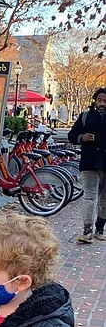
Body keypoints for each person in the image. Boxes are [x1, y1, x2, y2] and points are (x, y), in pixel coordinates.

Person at [68, 87, 106, 243]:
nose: (102, 103)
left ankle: (99, 229)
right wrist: (82, 137)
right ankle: (87, 231)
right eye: (99, 100)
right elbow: (72, 135)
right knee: (89, 197)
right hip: (89, 163)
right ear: (94, 101)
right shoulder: (85, 116)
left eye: (105, 101)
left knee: (104, 199)